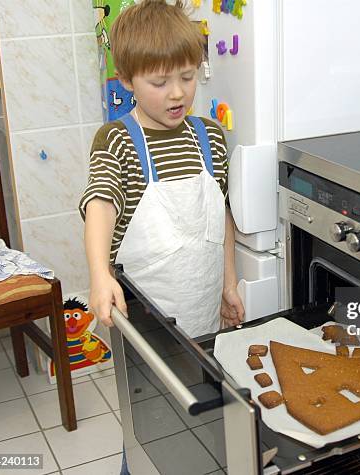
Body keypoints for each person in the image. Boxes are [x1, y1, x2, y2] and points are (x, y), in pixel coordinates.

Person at [80, 2, 245, 471]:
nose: (178, 94)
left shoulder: (210, 137)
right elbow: (100, 203)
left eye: (188, 77)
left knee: (202, 427)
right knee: (153, 430)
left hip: (203, 311)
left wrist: (229, 284)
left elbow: (222, 217)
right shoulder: (116, 141)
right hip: (145, 322)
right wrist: (97, 275)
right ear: (127, 79)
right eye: (159, 82)